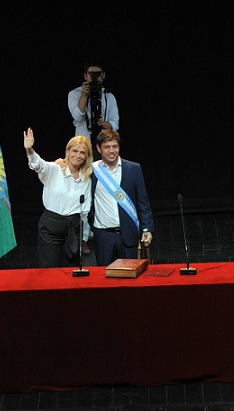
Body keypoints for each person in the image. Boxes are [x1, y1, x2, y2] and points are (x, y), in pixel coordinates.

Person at [68, 60, 120, 255]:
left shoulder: (109, 97)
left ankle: (100, 232)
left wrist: (106, 124)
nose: (95, 78)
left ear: (104, 76)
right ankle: (83, 239)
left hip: (103, 146)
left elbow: (115, 122)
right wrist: (84, 94)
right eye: (91, 74)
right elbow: (78, 114)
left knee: (101, 191)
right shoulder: (75, 94)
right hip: (83, 146)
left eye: (98, 74)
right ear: (85, 76)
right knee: (82, 192)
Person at [24, 128, 93, 268]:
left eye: (82, 153)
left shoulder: (88, 177)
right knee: (50, 272)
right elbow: (38, 165)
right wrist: (30, 150)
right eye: (75, 151)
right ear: (68, 151)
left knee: (70, 272)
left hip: (74, 228)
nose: (78, 156)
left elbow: (85, 211)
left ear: (87, 156)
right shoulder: (55, 169)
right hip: (51, 227)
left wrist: (84, 237)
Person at [91, 130, 154, 266]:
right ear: (98, 148)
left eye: (115, 146)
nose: (112, 151)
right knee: (104, 281)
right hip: (103, 237)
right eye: (107, 147)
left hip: (128, 235)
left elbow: (143, 202)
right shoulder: (92, 171)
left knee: (130, 282)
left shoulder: (134, 169)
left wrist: (147, 228)